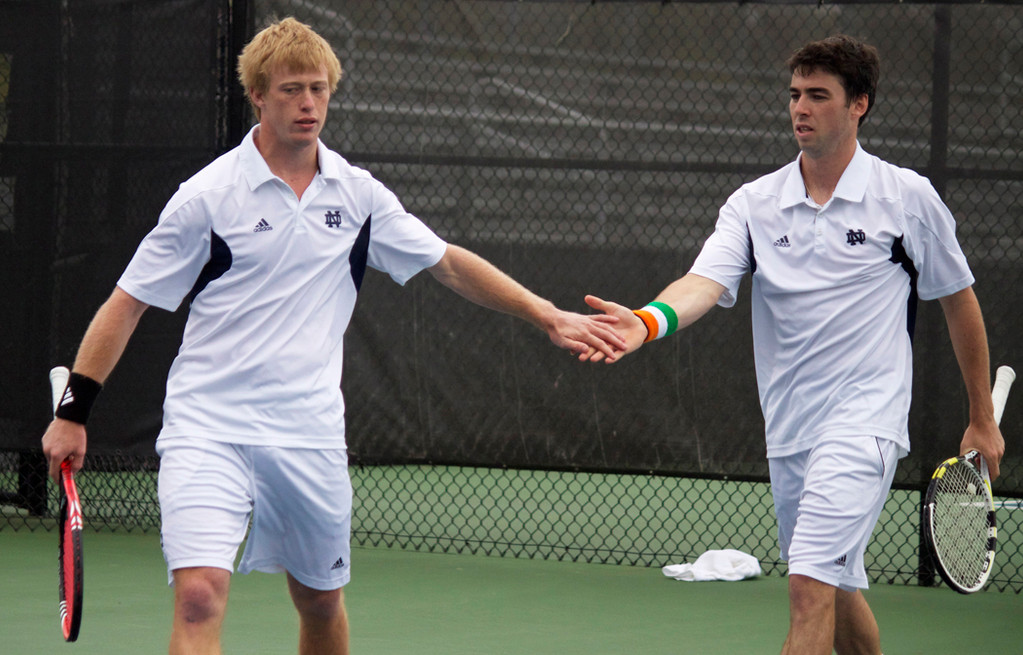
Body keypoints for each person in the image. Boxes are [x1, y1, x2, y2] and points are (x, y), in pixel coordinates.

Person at [41, 17, 623, 655]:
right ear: (258, 95)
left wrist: (549, 315)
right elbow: (125, 306)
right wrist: (75, 413)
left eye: (318, 89)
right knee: (200, 595)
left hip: (309, 435)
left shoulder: (359, 197)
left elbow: (448, 262)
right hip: (208, 428)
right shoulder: (206, 199)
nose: (308, 103)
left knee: (319, 603)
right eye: (291, 89)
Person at [585, 35, 1004, 655]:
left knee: (808, 587)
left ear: (859, 104)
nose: (799, 109)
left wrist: (980, 418)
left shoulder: (906, 198)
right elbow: (705, 282)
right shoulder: (754, 204)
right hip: (789, 431)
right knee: (833, 592)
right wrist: (648, 322)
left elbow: (958, 299)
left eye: (818, 95)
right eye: (794, 95)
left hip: (865, 423)